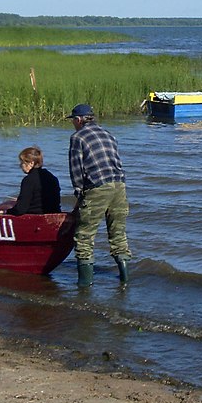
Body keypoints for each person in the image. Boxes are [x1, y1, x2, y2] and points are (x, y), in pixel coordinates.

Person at [66, 103, 130, 286]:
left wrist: (79, 195)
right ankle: (125, 282)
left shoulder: (77, 138)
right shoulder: (108, 134)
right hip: (119, 186)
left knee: (84, 238)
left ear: (78, 120)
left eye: (73, 121)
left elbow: (76, 170)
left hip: (98, 187)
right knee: (118, 235)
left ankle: (84, 287)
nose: (73, 125)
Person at [1, 146, 61, 216]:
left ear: (31, 163)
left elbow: (20, 209)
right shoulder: (52, 177)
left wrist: (6, 212)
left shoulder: (28, 180)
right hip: (53, 213)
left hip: (34, 216)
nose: (20, 166)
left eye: (22, 163)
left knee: (7, 205)